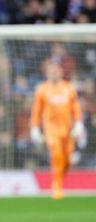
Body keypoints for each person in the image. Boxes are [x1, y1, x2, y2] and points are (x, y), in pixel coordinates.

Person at [30, 62, 84, 200]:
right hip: (51, 130)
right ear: (48, 72)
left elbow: (75, 108)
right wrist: (35, 128)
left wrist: (78, 123)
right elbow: (37, 110)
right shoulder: (42, 89)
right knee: (57, 155)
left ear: (60, 72)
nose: (54, 73)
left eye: (56, 70)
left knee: (67, 160)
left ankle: (59, 179)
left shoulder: (69, 88)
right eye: (51, 70)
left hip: (67, 130)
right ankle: (57, 187)